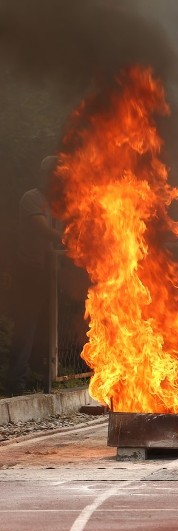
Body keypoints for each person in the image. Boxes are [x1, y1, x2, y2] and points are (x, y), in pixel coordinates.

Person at [3, 156, 62, 397]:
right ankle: (16, 383)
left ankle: (41, 379)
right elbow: (44, 230)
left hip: (51, 274)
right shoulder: (32, 198)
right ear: (45, 175)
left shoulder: (59, 204)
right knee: (26, 327)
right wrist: (73, 238)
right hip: (29, 272)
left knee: (48, 328)